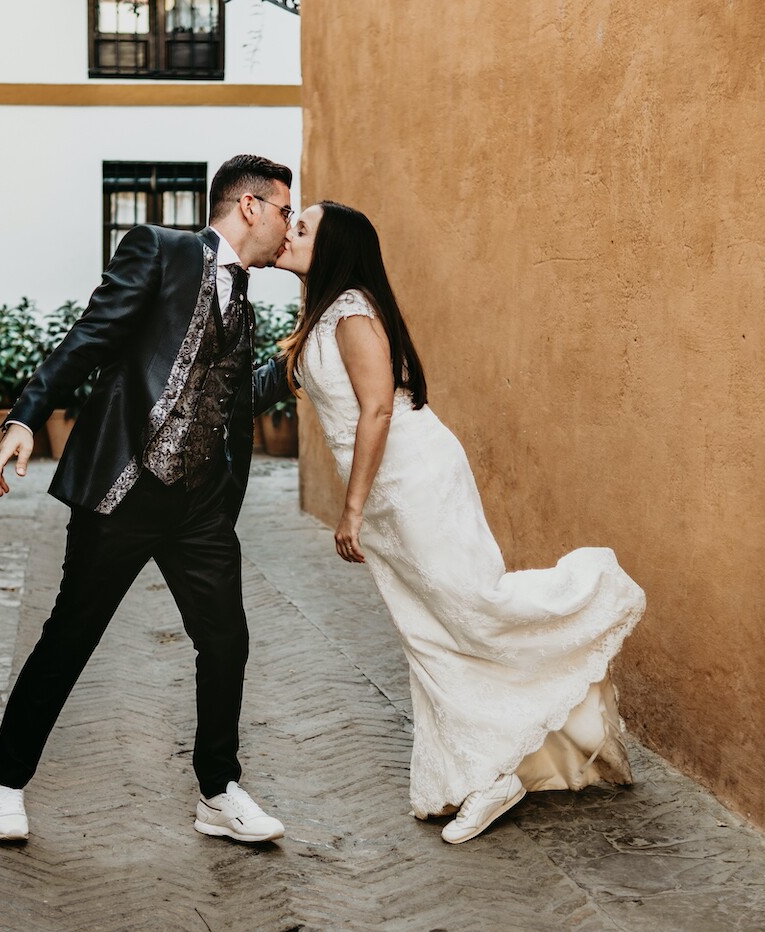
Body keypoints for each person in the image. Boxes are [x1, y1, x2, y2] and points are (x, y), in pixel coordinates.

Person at [273, 201, 646, 844]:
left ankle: (593, 592)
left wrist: (353, 509)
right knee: (426, 632)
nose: (288, 232)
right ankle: (478, 770)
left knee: (471, 608)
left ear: (333, 249)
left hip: (412, 480)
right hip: (387, 492)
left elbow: (378, 412)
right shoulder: (324, 311)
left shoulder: (353, 311)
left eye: (301, 228)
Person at [0, 155, 296, 845]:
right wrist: (28, 417)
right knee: (70, 638)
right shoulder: (162, 250)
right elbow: (91, 337)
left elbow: (230, 399)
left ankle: (216, 792)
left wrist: (298, 360)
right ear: (249, 206)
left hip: (200, 509)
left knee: (225, 641)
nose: (287, 226)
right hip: (124, 490)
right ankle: (3, 786)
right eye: (283, 211)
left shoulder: (244, 299)